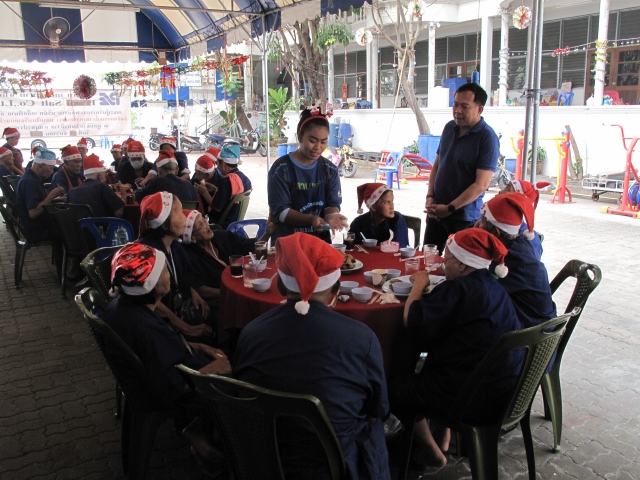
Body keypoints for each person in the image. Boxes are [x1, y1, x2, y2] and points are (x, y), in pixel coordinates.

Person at [234, 233, 390, 480]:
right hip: (334, 464)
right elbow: (376, 410)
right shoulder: (362, 339)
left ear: (281, 285)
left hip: (263, 457)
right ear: (335, 289)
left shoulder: (250, 333)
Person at [389, 228, 523, 468]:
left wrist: (420, 283)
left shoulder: (457, 289)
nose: (444, 265)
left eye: (447, 259)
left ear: (462, 265)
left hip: (472, 398)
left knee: (394, 386)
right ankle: (443, 437)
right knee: (445, 360)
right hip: (504, 390)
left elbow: (411, 320)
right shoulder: (495, 288)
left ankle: (433, 454)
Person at [105, 243, 231, 465]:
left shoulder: (123, 306)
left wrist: (198, 346)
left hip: (171, 368)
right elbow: (177, 386)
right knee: (240, 372)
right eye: (164, 270)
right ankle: (212, 435)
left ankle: (200, 428)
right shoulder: (145, 329)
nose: (169, 275)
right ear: (151, 284)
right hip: (178, 391)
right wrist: (218, 369)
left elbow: (165, 348)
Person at [424, 83, 500, 253]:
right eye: (455, 104)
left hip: (463, 219)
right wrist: (430, 197)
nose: (457, 111)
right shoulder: (449, 127)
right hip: (436, 212)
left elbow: (481, 184)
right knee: (428, 259)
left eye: (464, 106)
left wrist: (450, 208)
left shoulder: (487, 138)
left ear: (479, 109)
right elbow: (437, 165)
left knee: (457, 264)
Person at [136, 192, 214, 342]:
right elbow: (150, 301)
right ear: (164, 224)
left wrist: (193, 293)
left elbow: (182, 275)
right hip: (155, 324)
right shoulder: (146, 254)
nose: (185, 217)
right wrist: (186, 328)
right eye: (178, 212)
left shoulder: (175, 246)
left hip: (177, 308)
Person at [475, 193, 557, 329]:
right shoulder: (520, 243)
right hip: (539, 325)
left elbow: (476, 285)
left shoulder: (507, 258)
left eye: (481, 222)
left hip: (526, 334)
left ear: (495, 232)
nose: (477, 225)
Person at [267, 107, 348, 244]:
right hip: (288, 244)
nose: (318, 147)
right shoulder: (281, 169)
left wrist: (331, 215)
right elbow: (281, 212)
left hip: (320, 243)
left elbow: (332, 203)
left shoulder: (330, 170)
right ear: (300, 137)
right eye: (312, 140)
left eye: (323, 142)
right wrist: (311, 220)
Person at [181, 209, 274, 302]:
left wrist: (267, 233)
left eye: (204, 219)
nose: (206, 224)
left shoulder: (221, 236)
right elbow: (202, 290)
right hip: (221, 298)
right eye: (201, 224)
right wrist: (231, 293)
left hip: (240, 286)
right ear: (192, 238)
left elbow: (250, 247)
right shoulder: (188, 256)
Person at [15, 147, 65, 274]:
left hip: (34, 226)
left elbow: (37, 203)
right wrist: (51, 196)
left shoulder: (31, 178)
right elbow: (33, 213)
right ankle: (66, 273)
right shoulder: (30, 182)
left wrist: (53, 199)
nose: (52, 172)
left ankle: (67, 270)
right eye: (51, 168)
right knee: (68, 232)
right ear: (41, 165)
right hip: (35, 230)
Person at [498, 179, 550, 259]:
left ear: (517, 201)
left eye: (507, 189)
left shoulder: (521, 242)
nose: (500, 191)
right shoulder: (503, 225)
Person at [349, 182, 409, 247]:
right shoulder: (358, 224)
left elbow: (400, 248)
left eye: (392, 201)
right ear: (373, 207)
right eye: (387, 202)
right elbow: (349, 248)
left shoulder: (396, 219)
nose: (392, 206)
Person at [207, 144, 252, 228]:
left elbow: (217, 207)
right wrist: (216, 189)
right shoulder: (245, 179)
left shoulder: (227, 181)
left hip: (222, 223)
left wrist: (204, 192)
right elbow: (229, 195)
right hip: (235, 219)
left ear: (223, 163)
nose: (217, 167)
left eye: (217, 163)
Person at [67, 153, 125, 218]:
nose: (105, 177)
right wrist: (123, 195)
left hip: (78, 224)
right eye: (104, 174)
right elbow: (119, 212)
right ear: (100, 176)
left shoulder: (71, 192)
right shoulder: (102, 187)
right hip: (100, 224)